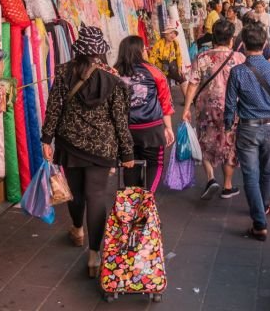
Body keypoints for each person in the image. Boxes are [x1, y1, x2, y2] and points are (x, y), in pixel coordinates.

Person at [41, 26, 135, 278]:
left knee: (75, 193)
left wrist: (47, 138)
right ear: (101, 51)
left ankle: (77, 229)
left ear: (79, 50)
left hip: (70, 144)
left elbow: (54, 108)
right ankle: (94, 254)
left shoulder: (63, 72)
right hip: (102, 148)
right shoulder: (114, 78)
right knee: (96, 196)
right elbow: (120, 120)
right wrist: (127, 154)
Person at [224, 24, 270, 241]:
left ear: (243, 46)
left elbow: (230, 106)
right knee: (267, 172)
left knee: (250, 176)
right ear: (264, 44)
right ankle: (265, 206)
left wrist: (227, 128)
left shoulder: (237, 72)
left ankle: (259, 222)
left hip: (247, 129)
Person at [182, 20, 246, 200]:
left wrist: (186, 108)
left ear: (214, 37)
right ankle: (227, 186)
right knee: (229, 144)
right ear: (231, 39)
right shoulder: (239, 58)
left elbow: (193, 84)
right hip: (231, 109)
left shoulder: (202, 57)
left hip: (206, 108)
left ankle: (211, 178)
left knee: (206, 140)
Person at [114, 36, 175, 193]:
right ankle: (147, 201)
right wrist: (168, 128)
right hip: (151, 129)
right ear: (140, 51)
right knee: (155, 164)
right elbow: (165, 102)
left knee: (129, 163)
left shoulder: (114, 72)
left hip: (125, 130)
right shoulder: (154, 71)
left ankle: (132, 202)